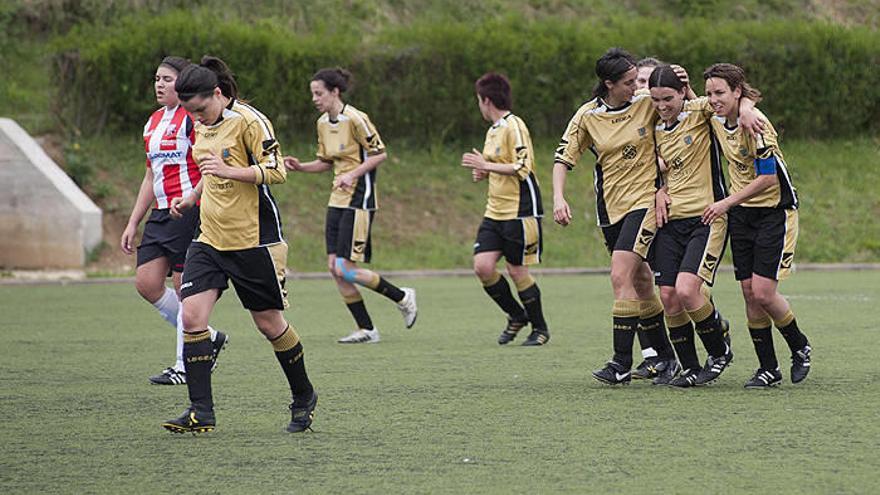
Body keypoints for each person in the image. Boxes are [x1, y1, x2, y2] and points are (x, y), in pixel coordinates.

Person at [162, 56, 316, 433]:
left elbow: (277, 171)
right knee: (192, 316)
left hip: (253, 241)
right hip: (210, 238)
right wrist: (193, 195)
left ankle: (303, 395)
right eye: (190, 112)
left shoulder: (250, 121)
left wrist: (231, 171)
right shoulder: (200, 122)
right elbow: (209, 170)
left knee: (269, 324)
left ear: (218, 93)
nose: (196, 118)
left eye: (200, 109)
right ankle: (202, 412)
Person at [552, 48, 676, 385]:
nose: (637, 87)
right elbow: (564, 158)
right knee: (640, 282)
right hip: (610, 209)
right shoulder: (587, 116)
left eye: (638, 80)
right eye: (629, 82)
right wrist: (558, 198)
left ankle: (621, 362)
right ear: (608, 84)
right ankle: (665, 357)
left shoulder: (645, 105)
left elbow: (684, 109)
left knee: (620, 276)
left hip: (644, 203)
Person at [284, 68, 417, 344]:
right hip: (338, 199)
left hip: (360, 198)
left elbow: (380, 154)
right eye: (312, 94)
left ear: (335, 92)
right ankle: (367, 329)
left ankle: (402, 297)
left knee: (345, 267)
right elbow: (325, 162)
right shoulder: (323, 123)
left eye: (319, 93)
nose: (315, 99)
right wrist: (300, 167)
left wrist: (352, 175)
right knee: (334, 266)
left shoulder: (357, 119)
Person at [701, 63, 812, 388]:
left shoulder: (756, 125)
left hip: (774, 213)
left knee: (764, 292)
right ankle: (768, 368)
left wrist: (726, 202)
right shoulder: (714, 116)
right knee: (749, 293)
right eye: (709, 93)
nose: (713, 99)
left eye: (720, 92)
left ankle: (799, 345)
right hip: (743, 215)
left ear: (737, 91)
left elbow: (767, 178)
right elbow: (686, 104)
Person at [648, 64, 760, 386]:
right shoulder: (655, 127)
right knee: (668, 296)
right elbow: (661, 170)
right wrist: (659, 190)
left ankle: (718, 351)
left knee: (686, 289)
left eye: (668, 98)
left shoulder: (699, 111)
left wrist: (749, 108)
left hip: (707, 218)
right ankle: (691, 367)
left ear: (683, 93)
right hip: (671, 221)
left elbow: (734, 100)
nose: (662, 106)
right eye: (656, 100)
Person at [120, 56, 226, 386]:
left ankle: (184, 364)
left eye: (167, 79)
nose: (160, 84)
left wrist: (194, 198)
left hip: (189, 210)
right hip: (161, 212)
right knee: (146, 283)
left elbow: (210, 163)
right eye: (157, 79)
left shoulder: (193, 118)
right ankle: (207, 336)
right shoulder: (152, 123)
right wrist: (133, 221)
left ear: (183, 84)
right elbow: (151, 174)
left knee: (185, 290)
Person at [461, 72, 550, 346]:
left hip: (520, 210)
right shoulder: (493, 131)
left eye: (479, 100)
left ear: (486, 100)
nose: (479, 106)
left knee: (516, 270)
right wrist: (483, 171)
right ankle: (516, 315)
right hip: (494, 212)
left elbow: (523, 166)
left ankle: (540, 329)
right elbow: (496, 165)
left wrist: (486, 166)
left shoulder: (515, 126)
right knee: (483, 267)